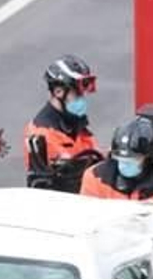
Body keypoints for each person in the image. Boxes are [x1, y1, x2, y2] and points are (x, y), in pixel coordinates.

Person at [25, 55, 101, 193]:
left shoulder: (76, 123)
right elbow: (64, 177)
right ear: (58, 92)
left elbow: (96, 159)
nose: (82, 100)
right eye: (77, 95)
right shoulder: (41, 133)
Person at [79, 117, 153, 202]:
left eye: (132, 159)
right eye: (120, 159)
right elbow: (89, 218)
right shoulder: (95, 178)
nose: (124, 164)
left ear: (147, 158)